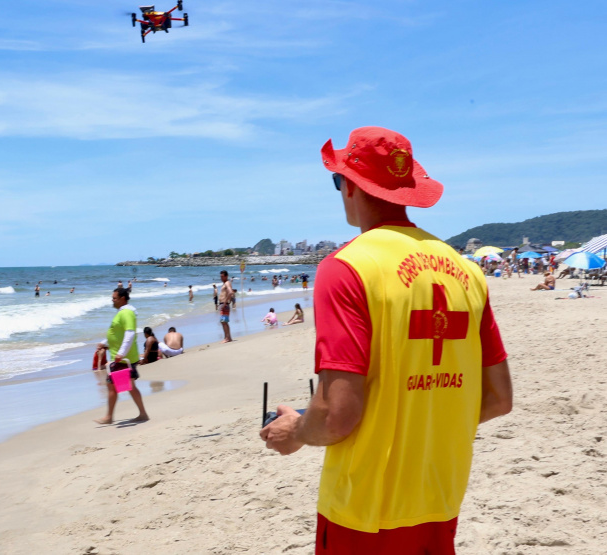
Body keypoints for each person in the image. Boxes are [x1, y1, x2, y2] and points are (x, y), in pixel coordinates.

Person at [260, 126, 512, 554]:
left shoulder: (348, 267)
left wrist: (296, 430)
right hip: (440, 497)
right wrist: (422, 422)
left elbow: (338, 414)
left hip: (366, 510)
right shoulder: (466, 270)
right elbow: (497, 398)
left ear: (353, 185)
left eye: (338, 179)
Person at [93, 287, 149, 425]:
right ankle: (141, 414)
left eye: (114, 298)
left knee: (114, 386)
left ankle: (110, 417)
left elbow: (129, 334)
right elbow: (118, 334)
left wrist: (121, 353)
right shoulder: (123, 312)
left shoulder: (127, 313)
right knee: (126, 385)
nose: (112, 300)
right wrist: (104, 343)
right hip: (121, 356)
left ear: (122, 299)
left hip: (123, 358)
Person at [218, 270, 234, 343]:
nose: (221, 278)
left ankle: (227, 338)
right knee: (224, 322)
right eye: (220, 276)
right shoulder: (225, 283)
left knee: (224, 322)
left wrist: (225, 302)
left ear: (226, 276)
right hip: (224, 304)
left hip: (224, 304)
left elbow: (230, 292)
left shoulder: (227, 283)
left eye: (222, 276)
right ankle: (228, 337)